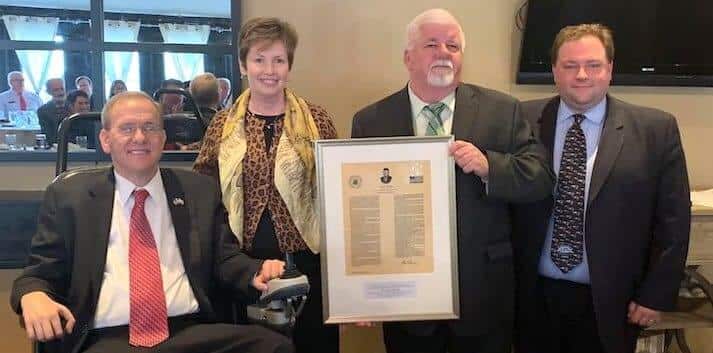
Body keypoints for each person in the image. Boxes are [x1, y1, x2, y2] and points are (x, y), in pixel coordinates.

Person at [11, 91, 294, 353]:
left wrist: (256, 272)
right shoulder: (69, 198)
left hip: (189, 331)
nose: (139, 137)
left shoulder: (198, 191)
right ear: (105, 140)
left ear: (161, 138)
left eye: (149, 128)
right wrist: (33, 295)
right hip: (109, 337)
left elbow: (226, 258)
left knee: (273, 346)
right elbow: (38, 273)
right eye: (126, 128)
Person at [351, 8, 554, 353]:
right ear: (408, 57)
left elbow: (540, 179)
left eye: (453, 46)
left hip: (483, 294)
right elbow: (359, 211)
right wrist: (362, 289)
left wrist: (490, 166)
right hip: (406, 301)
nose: (444, 52)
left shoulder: (503, 111)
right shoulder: (371, 121)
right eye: (432, 44)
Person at [513, 24, 691, 353]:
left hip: (612, 300)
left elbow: (673, 222)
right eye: (570, 65)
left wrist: (655, 295)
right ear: (555, 71)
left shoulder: (656, 130)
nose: (582, 75)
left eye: (593, 65)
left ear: (609, 69)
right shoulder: (521, 119)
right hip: (533, 298)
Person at [194, 17, 339, 353]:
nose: (269, 70)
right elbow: (204, 193)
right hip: (244, 266)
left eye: (279, 60)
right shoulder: (222, 125)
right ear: (244, 65)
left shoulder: (317, 119)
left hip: (308, 263)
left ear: (289, 66)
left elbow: (336, 190)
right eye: (259, 59)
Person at [37, 78, 70, 145]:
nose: (60, 93)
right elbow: (48, 135)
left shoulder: (74, 105)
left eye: (62, 89)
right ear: (48, 92)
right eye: (56, 90)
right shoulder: (43, 111)